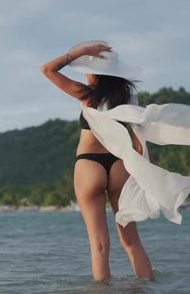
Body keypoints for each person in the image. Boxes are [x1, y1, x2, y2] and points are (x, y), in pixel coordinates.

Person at [40, 40, 154, 281]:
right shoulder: (128, 99)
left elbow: (48, 69)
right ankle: (148, 288)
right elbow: (141, 141)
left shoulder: (87, 96)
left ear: (96, 73)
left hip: (89, 165)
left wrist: (81, 52)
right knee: (132, 242)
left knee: (100, 245)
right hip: (120, 165)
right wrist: (148, 172)